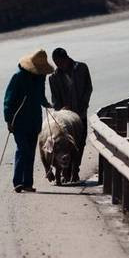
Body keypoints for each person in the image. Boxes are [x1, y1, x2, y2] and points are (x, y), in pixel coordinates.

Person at [4, 49, 53, 193]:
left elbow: (40, 96)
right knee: (23, 150)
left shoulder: (40, 78)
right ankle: (17, 182)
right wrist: (8, 119)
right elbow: (8, 100)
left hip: (34, 121)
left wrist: (46, 104)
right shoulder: (18, 78)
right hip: (19, 122)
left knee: (31, 152)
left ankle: (28, 183)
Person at [49, 48, 93, 181]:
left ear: (66, 58)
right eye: (56, 63)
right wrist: (61, 109)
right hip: (65, 119)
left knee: (80, 143)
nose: (58, 65)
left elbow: (88, 88)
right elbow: (55, 99)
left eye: (60, 62)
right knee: (64, 144)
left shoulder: (81, 69)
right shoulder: (53, 77)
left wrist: (82, 106)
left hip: (80, 115)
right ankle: (65, 171)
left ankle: (75, 170)